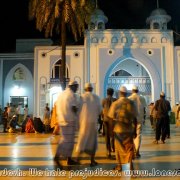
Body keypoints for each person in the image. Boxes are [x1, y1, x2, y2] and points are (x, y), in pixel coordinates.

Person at [108, 86, 137, 171]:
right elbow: (135, 118)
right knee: (129, 149)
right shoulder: (131, 103)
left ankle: (120, 166)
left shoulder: (115, 103)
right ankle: (129, 166)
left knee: (119, 149)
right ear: (126, 93)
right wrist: (134, 130)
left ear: (120, 93)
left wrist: (110, 130)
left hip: (118, 129)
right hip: (129, 129)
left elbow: (110, 118)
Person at [54, 80, 80, 168]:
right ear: (72, 86)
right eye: (76, 87)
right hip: (69, 121)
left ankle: (69, 159)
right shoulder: (71, 95)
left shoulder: (61, 94)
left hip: (62, 120)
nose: (77, 89)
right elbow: (74, 108)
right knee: (65, 141)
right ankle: (57, 157)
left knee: (69, 141)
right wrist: (79, 115)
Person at [76, 83, 101, 166]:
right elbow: (100, 111)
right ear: (92, 89)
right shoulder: (97, 97)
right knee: (93, 142)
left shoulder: (81, 97)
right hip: (93, 123)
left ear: (85, 89)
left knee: (82, 141)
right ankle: (92, 161)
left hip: (84, 123)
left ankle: (78, 159)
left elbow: (77, 110)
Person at [128, 85, 146, 158]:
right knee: (138, 135)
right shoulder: (142, 98)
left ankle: (132, 151)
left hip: (131, 120)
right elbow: (145, 109)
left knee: (131, 136)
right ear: (138, 91)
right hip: (139, 119)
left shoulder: (129, 98)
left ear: (132, 91)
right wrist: (144, 118)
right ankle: (137, 151)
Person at [102, 87, 116, 158]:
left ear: (107, 93)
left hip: (106, 120)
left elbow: (102, 110)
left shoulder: (104, 100)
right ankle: (113, 147)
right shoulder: (115, 100)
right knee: (113, 135)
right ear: (112, 93)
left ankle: (108, 151)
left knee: (107, 136)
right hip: (113, 120)